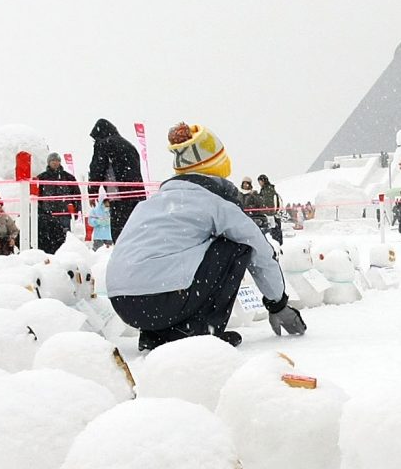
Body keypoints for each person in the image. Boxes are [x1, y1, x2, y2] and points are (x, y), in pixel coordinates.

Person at [105, 123, 304, 350]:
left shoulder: (150, 205)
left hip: (124, 303)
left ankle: (157, 334)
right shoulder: (215, 204)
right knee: (237, 246)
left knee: (181, 255)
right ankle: (202, 331)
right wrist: (277, 304)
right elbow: (260, 250)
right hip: (163, 299)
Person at [88, 118, 144, 241]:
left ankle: (122, 255)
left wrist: (92, 192)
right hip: (137, 194)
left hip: (118, 194)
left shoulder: (102, 144)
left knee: (119, 231)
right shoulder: (129, 145)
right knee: (135, 230)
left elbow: (97, 168)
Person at [33, 153, 82, 253]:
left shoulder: (68, 178)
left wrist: (77, 210)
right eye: (53, 160)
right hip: (47, 214)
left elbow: (77, 195)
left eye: (57, 160)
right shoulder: (42, 178)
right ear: (49, 162)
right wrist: (39, 212)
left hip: (64, 213)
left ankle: (64, 256)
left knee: (65, 239)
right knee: (48, 237)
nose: (55, 163)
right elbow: (36, 196)